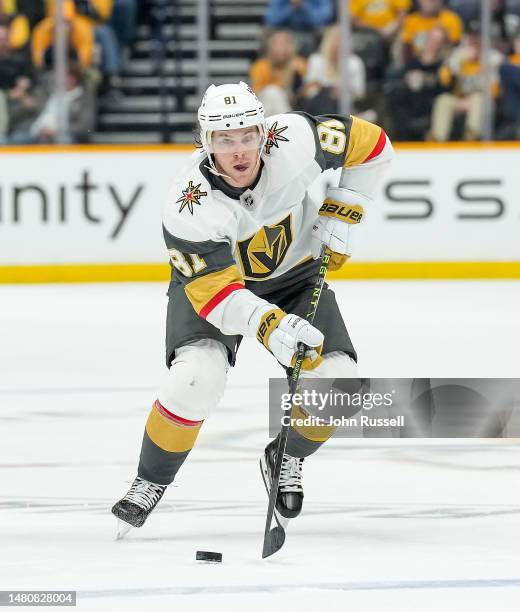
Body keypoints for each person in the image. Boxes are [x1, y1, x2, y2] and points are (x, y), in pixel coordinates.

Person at [112, 81, 394, 533]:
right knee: (196, 378)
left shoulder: (296, 140)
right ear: (205, 143)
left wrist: (346, 205)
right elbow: (217, 294)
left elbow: (376, 146)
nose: (239, 151)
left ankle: (285, 456)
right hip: (219, 288)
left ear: (264, 132)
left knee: (340, 387)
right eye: (225, 140)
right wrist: (269, 326)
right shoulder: (189, 205)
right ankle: (150, 480)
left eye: (247, 134)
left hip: (297, 275)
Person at [250, 29, 307, 115]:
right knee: (272, 92)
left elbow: (306, 90)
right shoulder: (261, 66)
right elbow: (256, 92)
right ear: (270, 47)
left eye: (285, 44)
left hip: (296, 106)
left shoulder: (299, 64)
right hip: (267, 106)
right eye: (276, 44)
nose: (281, 48)